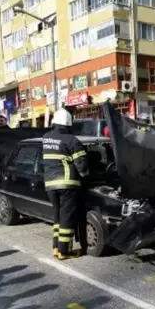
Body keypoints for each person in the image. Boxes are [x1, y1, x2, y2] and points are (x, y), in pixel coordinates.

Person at [42, 109, 89, 260]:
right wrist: (86, 177)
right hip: (67, 184)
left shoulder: (46, 138)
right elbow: (81, 165)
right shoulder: (71, 140)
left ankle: (56, 248)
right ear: (69, 124)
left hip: (50, 184)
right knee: (67, 219)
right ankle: (64, 252)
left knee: (58, 218)